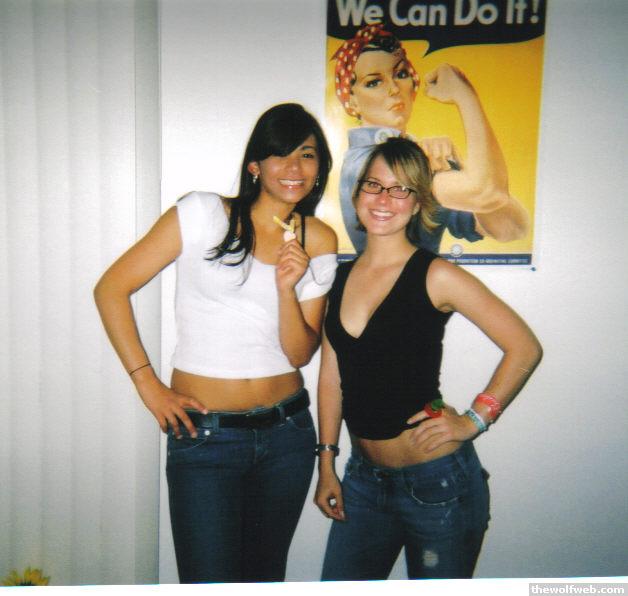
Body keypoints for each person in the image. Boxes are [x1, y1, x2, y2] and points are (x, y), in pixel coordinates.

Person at [94, 103, 338, 583]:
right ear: (256, 165)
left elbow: (300, 353)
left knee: (264, 579)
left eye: (307, 155)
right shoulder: (203, 213)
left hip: (287, 435)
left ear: (319, 169)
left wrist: (286, 289)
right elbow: (111, 289)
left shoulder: (319, 240)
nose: (294, 167)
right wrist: (148, 386)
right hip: (206, 436)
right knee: (207, 581)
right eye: (280, 154)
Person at [314, 137, 542, 580]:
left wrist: (475, 420)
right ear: (357, 193)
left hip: (438, 485)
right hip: (362, 482)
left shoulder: (437, 275)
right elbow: (330, 376)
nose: (384, 199)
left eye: (401, 189)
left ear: (419, 202)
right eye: (374, 185)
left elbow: (525, 347)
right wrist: (326, 462)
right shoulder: (339, 277)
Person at [333, 23, 529, 255]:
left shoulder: (418, 156)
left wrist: (457, 165)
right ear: (352, 101)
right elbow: (487, 193)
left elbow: (512, 229)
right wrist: (465, 96)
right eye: (374, 82)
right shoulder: (367, 162)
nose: (394, 88)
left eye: (400, 74)